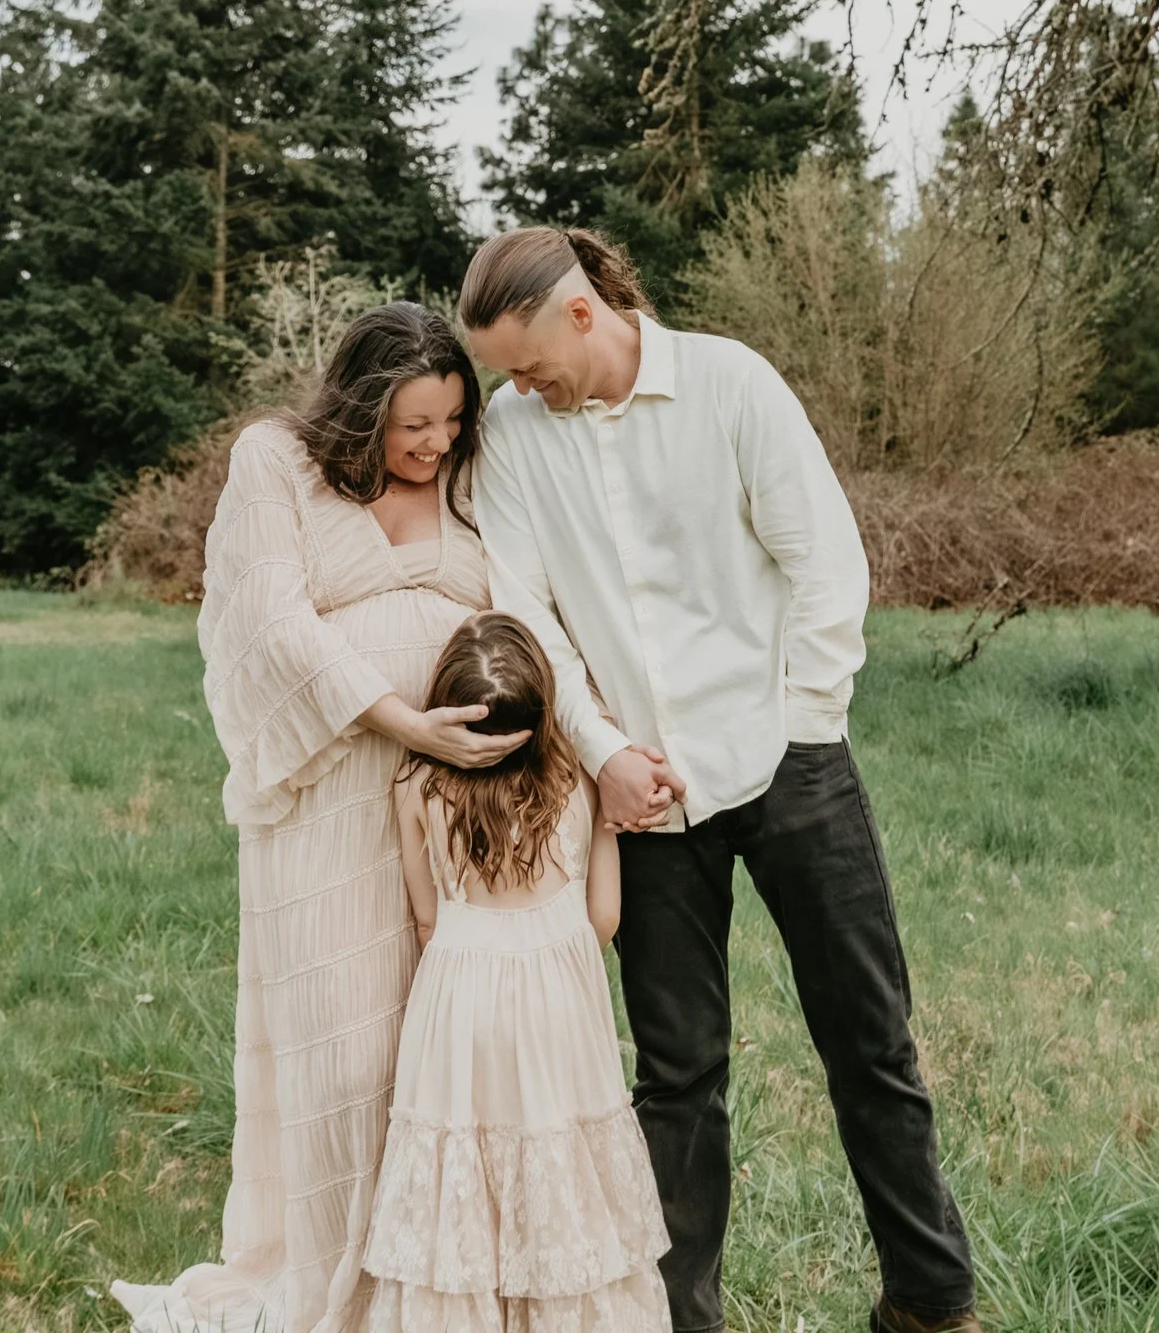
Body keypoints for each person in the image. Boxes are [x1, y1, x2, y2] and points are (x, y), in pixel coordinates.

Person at [460, 228, 979, 1333]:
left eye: (526, 358)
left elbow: (824, 562)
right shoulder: (512, 435)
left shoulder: (731, 384)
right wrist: (600, 752)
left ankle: (931, 1301)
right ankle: (674, 1319)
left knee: (869, 1040)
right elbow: (526, 611)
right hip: (642, 799)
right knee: (678, 1075)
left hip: (790, 765)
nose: (516, 384)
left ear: (581, 312)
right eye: (502, 369)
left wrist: (803, 727)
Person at [114, 303, 528, 1333]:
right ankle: (333, 1288)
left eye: (450, 421)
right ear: (359, 409)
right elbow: (265, 617)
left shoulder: (475, 481)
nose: (434, 444)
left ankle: (428, 1286)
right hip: (322, 798)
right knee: (342, 1059)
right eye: (411, 425)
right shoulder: (277, 461)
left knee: (438, 1051)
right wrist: (402, 720)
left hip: (446, 813)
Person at [359, 610, 672, 1332]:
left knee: (464, 1159)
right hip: (555, 1012)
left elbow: (428, 918)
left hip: (459, 1007)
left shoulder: (415, 788)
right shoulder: (573, 784)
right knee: (555, 1156)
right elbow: (602, 920)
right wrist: (601, 831)